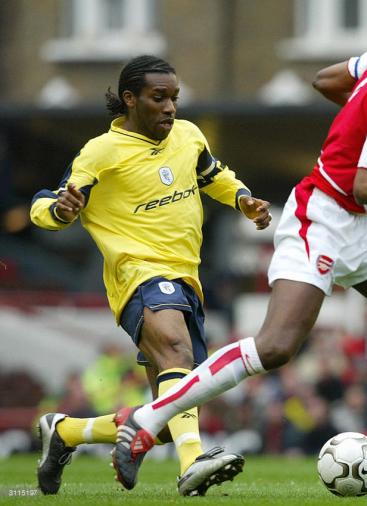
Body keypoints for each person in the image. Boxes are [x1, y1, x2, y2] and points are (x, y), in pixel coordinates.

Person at [111, 12, 367, 499]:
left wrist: (361, 116)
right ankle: (148, 419)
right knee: (275, 346)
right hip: (325, 217)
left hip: (365, 227)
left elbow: (325, 79)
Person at [30, 55, 271, 496]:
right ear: (130, 99)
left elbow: (212, 174)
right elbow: (45, 203)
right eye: (159, 98)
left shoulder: (188, 135)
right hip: (137, 275)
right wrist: (60, 211)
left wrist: (241, 199)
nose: (170, 107)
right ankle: (192, 464)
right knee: (178, 352)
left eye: (174, 98)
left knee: (167, 412)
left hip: (187, 278)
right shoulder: (101, 152)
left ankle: (64, 433)